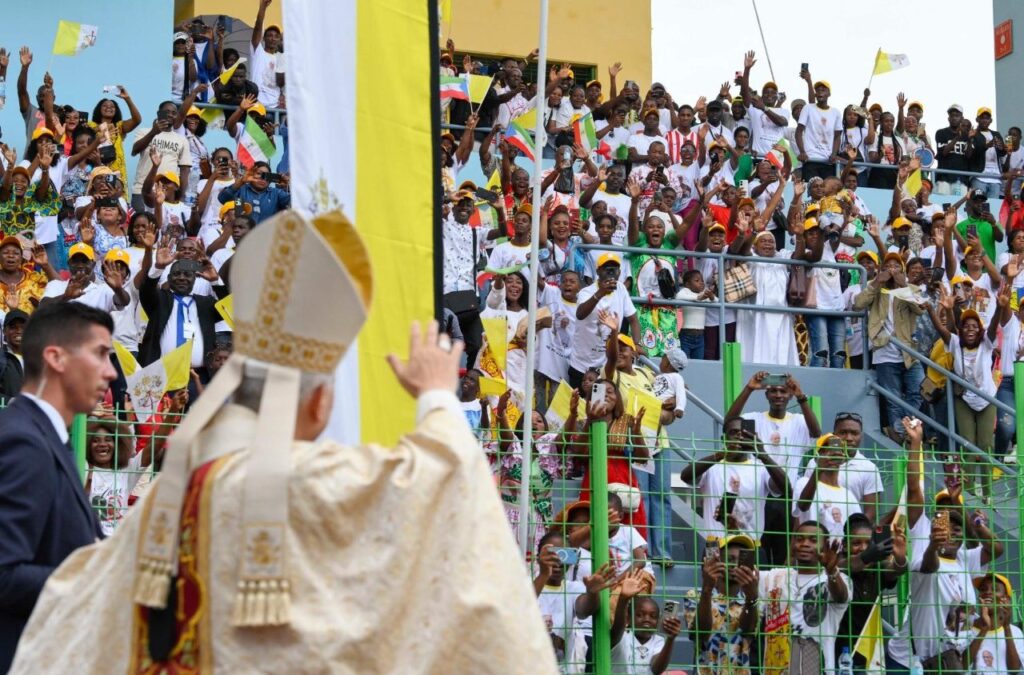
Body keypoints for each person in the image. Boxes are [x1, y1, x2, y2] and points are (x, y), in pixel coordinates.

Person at [9, 210, 559, 673]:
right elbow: (443, 483)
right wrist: (438, 396)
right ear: (318, 404)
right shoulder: (313, 483)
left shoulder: (172, 493)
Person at [0, 302, 114, 671]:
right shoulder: (24, 442)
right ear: (56, 358)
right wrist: (105, 573)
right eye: (101, 354)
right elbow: (4, 572)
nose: (111, 372)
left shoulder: (45, 436)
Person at [927, 298, 999, 500]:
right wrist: (934, 310)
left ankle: (987, 492)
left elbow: (993, 325)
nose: (970, 329)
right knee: (967, 443)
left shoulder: (986, 343)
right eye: (966, 326)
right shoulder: (955, 344)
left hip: (986, 399)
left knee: (985, 445)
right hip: (964, 399)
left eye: (974, 326)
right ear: (960, 329)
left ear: (980, 330)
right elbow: (940, 329)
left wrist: (1001, 306)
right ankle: (968, 490)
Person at [758, 521, 850, 675]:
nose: (805, 544)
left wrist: (832, 571)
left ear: (825, 546)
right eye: (799, 539)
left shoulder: (839, 580)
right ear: (792, 544)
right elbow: (743, 574)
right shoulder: (774, 577)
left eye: (813, 540)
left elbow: (841, 597)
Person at [681, 415, 788, 546]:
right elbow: (686, 477)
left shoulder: (761, 468)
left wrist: (763, 455)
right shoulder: (712, 466)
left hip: (750, 544)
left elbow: (786, 489)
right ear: (723, 439)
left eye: (743, 433)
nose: (738, 436)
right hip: (716, 544)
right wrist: (719, 455)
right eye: (733, 433)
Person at [854, 251, 926, 443]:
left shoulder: (910, 288)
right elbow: (858, 303)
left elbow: (920, 308)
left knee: (918, 391)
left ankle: (905, 428)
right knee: (893, 400)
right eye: (888, 266)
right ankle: (900, 435)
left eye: (896, 266)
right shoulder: (876, 287)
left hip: (909, 351)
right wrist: (877, 282)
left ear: (902, 270)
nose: (892, 270)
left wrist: (904, 286)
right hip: (884, 351)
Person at [138, 238, 228, 369]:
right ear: (169, 278)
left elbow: (229, 309)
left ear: (194, 279)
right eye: (176, 274)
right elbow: (146, 290)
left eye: (187, 275)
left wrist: (215, 280)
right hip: (160, 376)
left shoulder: (205, 303)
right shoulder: (160, 300)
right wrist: (159, 267)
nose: (181, 277)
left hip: (198, 378)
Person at [532, 531, 616, 671]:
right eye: (552, 554)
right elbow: (522, 608)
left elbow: (583, 610)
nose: (558, 561)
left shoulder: (573, 588)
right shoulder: (527, 583)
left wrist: (592, 593)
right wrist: (544, 574)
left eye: (564, 555)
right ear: (539, 557)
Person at [835, 514, 908, 669]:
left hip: (869, 655)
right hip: (839, 655)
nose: (862, 548)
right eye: (856, 543)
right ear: (845, 545)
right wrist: (867, 555)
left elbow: (895, 570)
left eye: (868, 543)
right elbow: (845, 565)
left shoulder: (877, 567)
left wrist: (900, 558)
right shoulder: (838, 566)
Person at [683, 534, 760, 672]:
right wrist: (707, 589)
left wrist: (751, 598)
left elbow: (747, 630)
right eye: (729, 559)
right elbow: (700, 634)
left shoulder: (755, 599)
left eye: (741, 560)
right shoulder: (695, 596)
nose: (735, 565)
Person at [570, 253, 642, 389]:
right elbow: (580, 314)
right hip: (582, 364)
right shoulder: (587, 291)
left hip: (607, 365)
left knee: (602, 406)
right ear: (597, 271)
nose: (610, 272)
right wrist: (600, 293)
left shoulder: (621, 289)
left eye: (614, 268)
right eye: (606, 268)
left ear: (620, 272)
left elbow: (633, 319)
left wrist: (637, 344)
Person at [804, 412, 885, 522]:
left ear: (861, 436)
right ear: (834, 435)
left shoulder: (869, 468)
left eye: (854, 433)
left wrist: (852, 534)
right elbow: (805, 500)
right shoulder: (814, 463)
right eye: (843, 433)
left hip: (851, 531)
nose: (849, 438)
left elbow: (871, 513)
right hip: (818, 528)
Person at [611, 568, 680, 675]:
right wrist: (623, 599)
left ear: (658, 621)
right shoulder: (622, 637)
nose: (647, 619)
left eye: (653, 616)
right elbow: (617, 628)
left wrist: (670, 639)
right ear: (628, 619)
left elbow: (656, 669)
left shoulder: (658, 641)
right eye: (639, 615)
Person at [792, 434, 862, 538]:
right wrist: (818, 470)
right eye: (827, 449)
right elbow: (803, 506)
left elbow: (857, 528)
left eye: (838, 450)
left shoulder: (848, 495)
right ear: (817, 456)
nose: (834, 453)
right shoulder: (804, 483)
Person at [968, 574, 1023, 673]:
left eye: (995, 589)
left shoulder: (1015, 632)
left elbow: (1014, 670)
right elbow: (962, 666)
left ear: (1006, 599)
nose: (988, 592)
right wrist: (984, 630)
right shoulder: (968, 627)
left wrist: (1006, 627)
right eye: (983, 589)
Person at [796, 78, 842, 180]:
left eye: (823, 90)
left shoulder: (836, 112)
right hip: (811, 159)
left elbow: (837, 136)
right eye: (818, 90)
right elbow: (798, 131)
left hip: (828, 162)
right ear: (815, 94)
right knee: (811, 192)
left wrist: (834, 154)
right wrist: (802, 152)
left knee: (828, 193)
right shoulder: (808, 108)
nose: (820, 92)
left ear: (829, 94)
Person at [934, 104, 973, 195]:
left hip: (961, 180)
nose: (954, 118)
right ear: (948, 118)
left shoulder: (968, 135)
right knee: (943, 206)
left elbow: (969, 155)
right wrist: (957, 137)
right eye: (952, 116)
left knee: (960, 207)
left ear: (962, 118)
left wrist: (970, 140)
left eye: (957, 116)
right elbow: (944, 152)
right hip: (944, 178)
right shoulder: (941, 132)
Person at [0, 308, 27, 403]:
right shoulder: (1, 359)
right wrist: (10, 401)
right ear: (4, 331)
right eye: (13, 327)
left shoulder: (38, 359)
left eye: (23, 327)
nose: (19, 331)